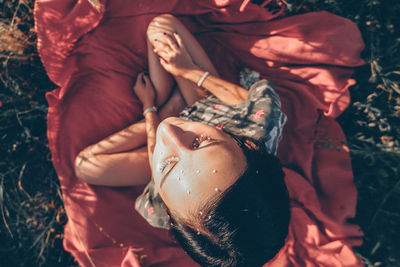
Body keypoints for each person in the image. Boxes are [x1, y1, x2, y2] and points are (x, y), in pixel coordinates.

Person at [74, 14, 290, 266]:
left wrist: (150, 108)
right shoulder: (260, 128)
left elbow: (157, 157)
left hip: (173, 110)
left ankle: (169, 102)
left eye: (170, 167)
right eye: (201, 144)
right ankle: (174, 100)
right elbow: (244, 100)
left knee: (85, 165)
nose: (169, 134)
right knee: (161, 26)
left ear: (172, 216)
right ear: (246, 146)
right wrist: (189, 70)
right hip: (204, 102)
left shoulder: (161, 210)